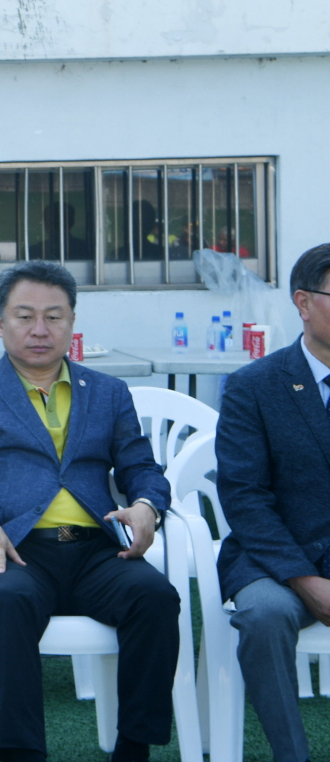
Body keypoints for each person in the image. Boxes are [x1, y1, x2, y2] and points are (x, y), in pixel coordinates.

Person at [0, 259, 177, 762]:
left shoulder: (107, 392)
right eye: (24, 316)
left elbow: (141, 467)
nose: (40, 329)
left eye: (54, 316)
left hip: (97, 553)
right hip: (16, 550)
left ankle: (134, 747)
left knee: (155, 597)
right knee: (9, 602)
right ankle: (22, 754)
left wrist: (147, 506)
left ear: (72, 320)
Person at [215, 243, 330, 762]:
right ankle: (293, 755)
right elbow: (244, 497)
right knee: (263, 616)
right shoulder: (254, 386)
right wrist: (307, 581)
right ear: (302, 303)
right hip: (274, 558)